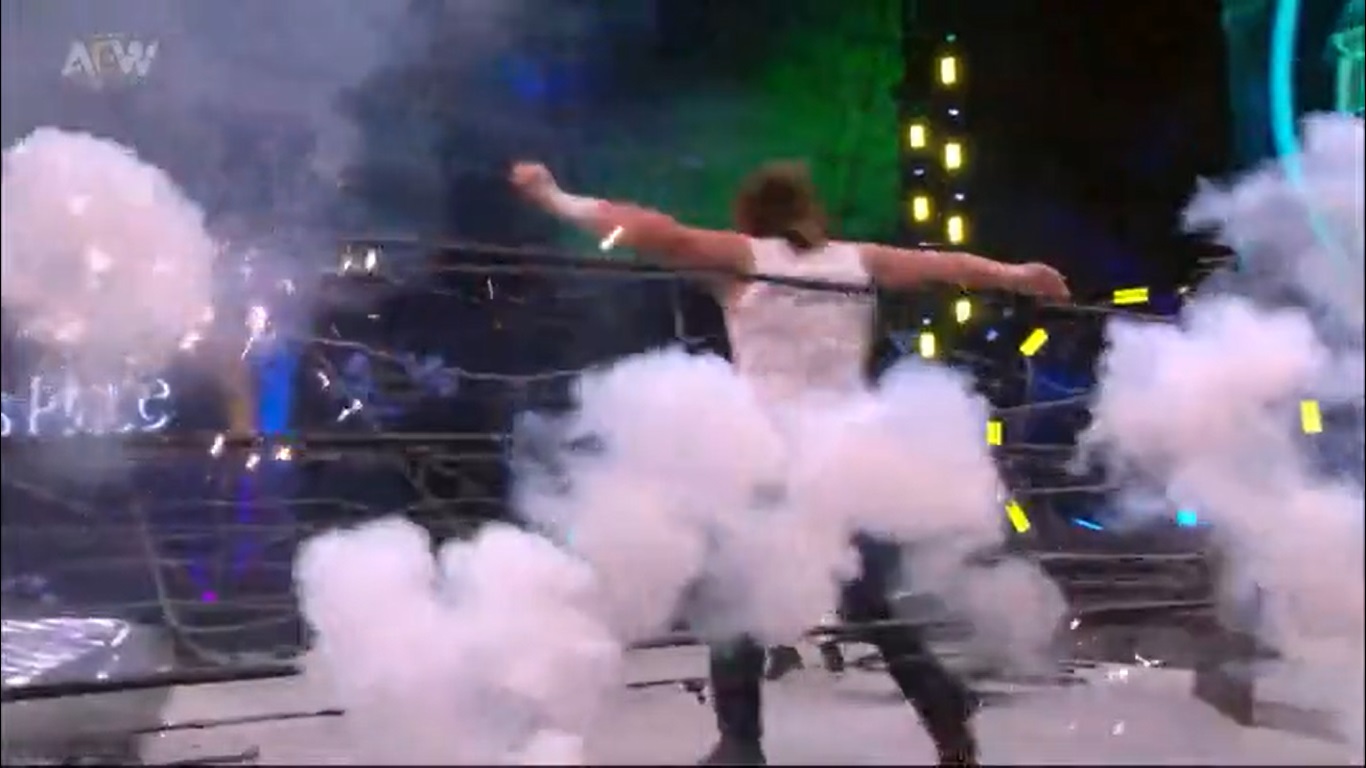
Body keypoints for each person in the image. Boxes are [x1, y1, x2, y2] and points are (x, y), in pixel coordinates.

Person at [510, 159, 1069, 767]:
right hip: (846, 460)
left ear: (750, 215)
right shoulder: (857, 260)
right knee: (864, 602)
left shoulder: (747, 258)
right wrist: (1017, 275)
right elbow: (948, 266)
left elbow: (645, 228)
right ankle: (945, 719)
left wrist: (556, 199)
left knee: (736, 590)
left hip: (769, 456)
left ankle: (742, 744)